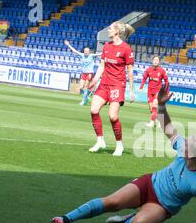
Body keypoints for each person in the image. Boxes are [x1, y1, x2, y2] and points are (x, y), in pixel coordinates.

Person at [51, 83, 196, 223]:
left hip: (162, 206)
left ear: (192, 155)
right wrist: (161, 105)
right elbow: (167, 127)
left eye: (189, 143)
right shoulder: (182, 148)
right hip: (149, 184)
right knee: (112, 202)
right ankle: (67, 218)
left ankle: (126, 220)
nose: (185, 141)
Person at [87, 22, 136, 156]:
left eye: (110, 29)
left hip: (117, 85)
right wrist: (94, 81)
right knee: (93, 109)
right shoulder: (106, 46)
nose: (108, 30)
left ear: (117, 32)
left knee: (113, 116)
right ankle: (100, 141)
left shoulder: (126, 49)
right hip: (104, 84)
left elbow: (130, 71)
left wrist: (131, 90)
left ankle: (119, 145)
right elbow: (102, 67)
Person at [64, 40, 101, 106]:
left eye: (87, 51)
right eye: (85, 51)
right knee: (81, 87)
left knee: (86, 87)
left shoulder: (92, 56)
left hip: (89, 73)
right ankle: (86, 97)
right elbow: (75, 51)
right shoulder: (82, 55)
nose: (86, 52)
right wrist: (68, 45)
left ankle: (83, 101)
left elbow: (100, 54)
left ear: (89, 52)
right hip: (83, 73)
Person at [139, 55, 169, 128]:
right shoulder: (148, 70)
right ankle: (159, 121)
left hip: (158, 91)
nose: (155, 61)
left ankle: (152, 123)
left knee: (155, 106)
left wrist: (167, 92)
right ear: (152, 61)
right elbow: (144, 78)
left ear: (159, 62)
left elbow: (167, 81)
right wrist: (141, 86)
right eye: (154, 60)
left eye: (157, 60)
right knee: (151, 109)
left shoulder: (162, 71)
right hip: (150, 91)